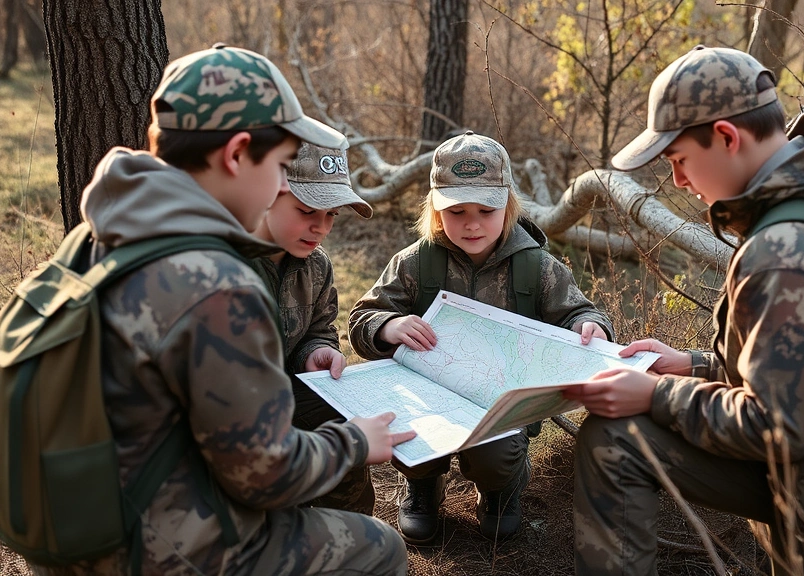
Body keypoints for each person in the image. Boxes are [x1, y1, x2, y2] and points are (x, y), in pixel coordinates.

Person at [39, 45, 414, 576]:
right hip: (138, 541)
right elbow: (263, 475)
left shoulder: (107, 233)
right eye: (282, 166)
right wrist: (354, 442)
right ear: (238, 154)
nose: (282, 184)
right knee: (380, 550)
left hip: (73, 512)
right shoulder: (213, 282)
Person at [566, 45, 804, 575]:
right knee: (618, 440)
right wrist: (689, 366)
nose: (679, 183)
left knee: (620, 436)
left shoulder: (792, 249)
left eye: (679, 161)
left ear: (727, 137)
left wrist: (655, 394)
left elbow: (775, 428)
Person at [348, 131, 615, 544]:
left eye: (485, 210)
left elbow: (580, 312)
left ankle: (500, 490)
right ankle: (423, 484)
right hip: (428, 394)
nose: (471, 223)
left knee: (496, 456)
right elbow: (362, 317)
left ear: (507, 205)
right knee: (413, 437)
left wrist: (589, 328)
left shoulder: (536, 268)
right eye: (456, 211)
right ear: (437, 211)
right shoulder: (416, 262)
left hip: (499, 404)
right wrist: (388, 326)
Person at [249, 141, 378, 515]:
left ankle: (350, 532)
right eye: (306, 210)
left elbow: (319, 327)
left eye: (332, 214)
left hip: (291, 393)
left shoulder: (316, 265)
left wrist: (316, 350)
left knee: (347, 431)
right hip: (231, 414)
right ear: (266, 193)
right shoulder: (221, 262)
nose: (320, 227)